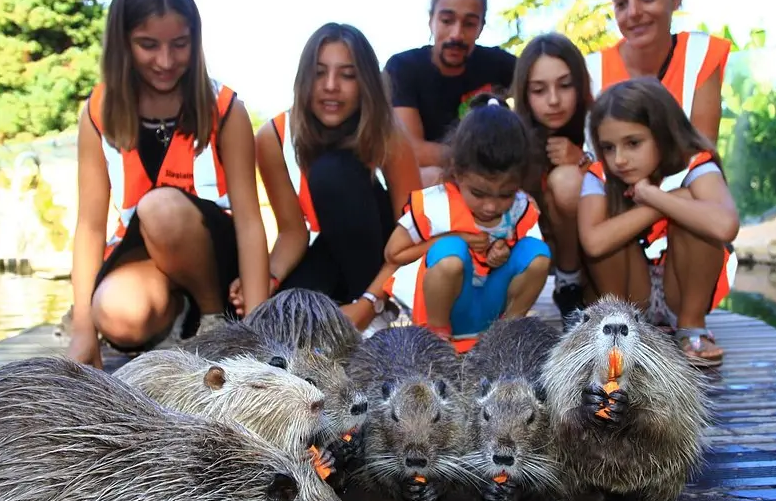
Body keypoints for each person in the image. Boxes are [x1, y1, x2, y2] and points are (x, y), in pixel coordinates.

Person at [65, 0, 269, 368]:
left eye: (180, 45)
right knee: (119, 314)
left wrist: (259, 326)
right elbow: (89, 225)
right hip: (147, 253)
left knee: (159, 207)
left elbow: (249, 220)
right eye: (148, 45)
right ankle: (178, 318)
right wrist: (83, 328)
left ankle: (212, 320)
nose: (165, 60)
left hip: (213, 251)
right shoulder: (97, 112)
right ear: (123, 43)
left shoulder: (227, 109)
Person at [248, 22, 422, 330]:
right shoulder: (272, 136)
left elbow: (414, 232)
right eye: (319, 72)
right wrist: (268, 280)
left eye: (347, 75)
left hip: (383, 261)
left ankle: (376, 317)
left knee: (333, 173)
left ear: (365, 81)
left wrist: (370, 301)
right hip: (324, 251)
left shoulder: (389, 135)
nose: (331, 85)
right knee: (284, 320)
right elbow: (292, 232)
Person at [578, 77, 740, 368]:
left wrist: (655, 195)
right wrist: (657, 205)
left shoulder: (695, 164)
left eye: (633, 143)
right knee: (610, 235)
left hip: (680, 290)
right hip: (627, 291)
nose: (620, 159)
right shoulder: (599, 175)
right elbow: (593, 243)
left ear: (663, 134)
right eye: (609, 147)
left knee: (696, 218)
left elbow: (724, 225)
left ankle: (692, 329)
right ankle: (618, 325)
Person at [384, 94, 551, 353]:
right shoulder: (436, 205)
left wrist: (502, 251)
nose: (491, 206)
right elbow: (393, 253)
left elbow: (519, 252)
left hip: (488, 307)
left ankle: (508, 332)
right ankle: (436, 340)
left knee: (537, 253)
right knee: (451, 253)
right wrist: (454, 239)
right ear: (457, 173)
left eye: (505, 194)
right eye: (479, 193)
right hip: (445, 308)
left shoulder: (519, 207)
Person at [384, 0, 517, 188]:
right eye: (447, 20)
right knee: (433, 176)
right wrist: (482, 157)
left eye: (469, 24)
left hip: (492, 180)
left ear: (481, 28)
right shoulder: (403, 68)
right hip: (437, 180)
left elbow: (544, 80)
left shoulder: (500, 65)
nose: (456, 34)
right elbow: (411, 151)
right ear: (431, 20)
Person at [585, 0, 731, 144]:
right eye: (621, 3)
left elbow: (702, 152)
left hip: (688, 175)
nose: (633, 12)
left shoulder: (699, 55)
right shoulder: (592, 71)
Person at [511, 32, 595, 326]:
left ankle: (570, 283)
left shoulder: (600, 120)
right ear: (523, 93)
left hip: (596, 254)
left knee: (568, 181)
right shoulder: (510, 134)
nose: (554, 100)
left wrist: (583, 161)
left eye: (565, 85)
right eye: (539, 89)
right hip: (528, 256)